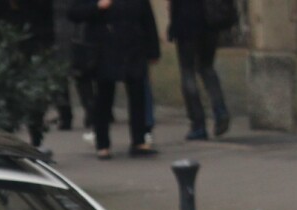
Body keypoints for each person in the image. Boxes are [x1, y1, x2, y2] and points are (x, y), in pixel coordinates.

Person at [68, 0, 159, 160]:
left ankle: (139, 140)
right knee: (104, 97)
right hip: (104, 49)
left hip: (133, 47)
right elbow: (74, 13)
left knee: (138, 94)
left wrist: (153, 50)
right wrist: (97, 7)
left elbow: (147, 18)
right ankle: (103, 144)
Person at [0, 0, 57, 148]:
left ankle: (36, 138)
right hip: (9, 50)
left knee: (35, 99)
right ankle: (8, 138)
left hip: (33, 48)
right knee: (8, 98)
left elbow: (47, 19)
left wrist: (46, 49)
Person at [169, 0, 230, 139]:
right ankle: (220, 111)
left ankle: (198, 124)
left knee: (187, 72)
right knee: (207, 68)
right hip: (211, 22)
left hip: (186, 23)